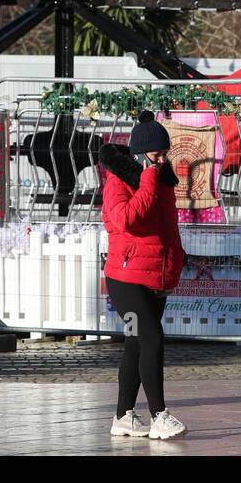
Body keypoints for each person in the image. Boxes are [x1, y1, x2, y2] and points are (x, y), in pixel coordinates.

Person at [99, 110, 188, 440]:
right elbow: (126, 220)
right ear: (139, 154)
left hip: (155, 276)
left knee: (135, 344)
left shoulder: (161, 182)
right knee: (152, 339)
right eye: (156, 155)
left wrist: (176, 260)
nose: (161, 160)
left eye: (165, 154)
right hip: (126, 280)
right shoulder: (118, 182)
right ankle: (159, 415)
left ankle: (122, 416)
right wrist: (149, 180)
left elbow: (167, 229)